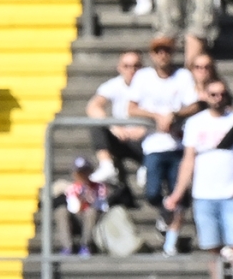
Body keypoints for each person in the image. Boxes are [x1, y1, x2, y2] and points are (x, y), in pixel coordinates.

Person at [166, 78, 233, 275]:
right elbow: (188, 160)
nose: (218, 98)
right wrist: (178, 192)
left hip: (231, 193)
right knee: (212, 249)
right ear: (206, 96)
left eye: (222, 94)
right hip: (203, 194)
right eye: (213, 94)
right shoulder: (194, 122)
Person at [128, 36, 198, 255]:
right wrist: (156, 117)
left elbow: (194, 105)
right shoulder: (143, 77)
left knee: (180, 194)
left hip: (178, 144)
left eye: (166, 51)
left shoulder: (183, 76)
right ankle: (164, 213)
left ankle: (171, 240)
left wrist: (174, 115)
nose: (162, 55)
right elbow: (132, 108)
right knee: (152, 192)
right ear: (152, 55)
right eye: (158, 51)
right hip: (154, 144)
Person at [87, 50, 146, 186]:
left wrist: (144, 129)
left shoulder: (151, 85)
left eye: (136, 66)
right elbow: (93, 106)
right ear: (119, 68)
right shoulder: (114, 85)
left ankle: (148, 166)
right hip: (122, 136)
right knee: (96, 123)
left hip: (145, 139)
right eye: (126, 66)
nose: (131, 70)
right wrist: (113, 126)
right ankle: (106, 165)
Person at [53, 157, 109, 256]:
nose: (83, 175)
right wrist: (81, 200)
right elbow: (73, 209)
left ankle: (86, 245)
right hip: (77, 219)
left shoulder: (99, 187)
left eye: (85, 172)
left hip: (94, 220)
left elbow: (104, 207)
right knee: (61, 211)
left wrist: (92, 200)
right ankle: (67, 246)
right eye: (80, 172)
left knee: (91, 212)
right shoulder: (71, 188)